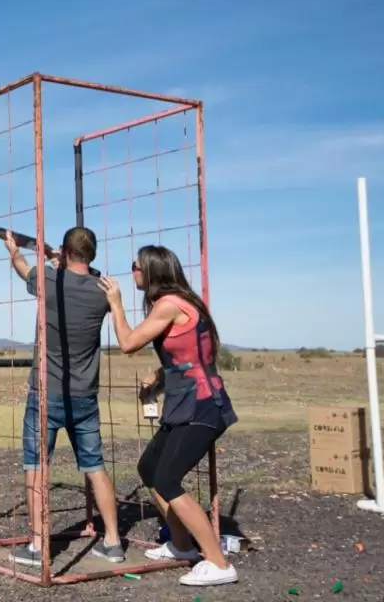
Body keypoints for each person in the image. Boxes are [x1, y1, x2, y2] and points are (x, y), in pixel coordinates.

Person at [97, 244, 239, 587]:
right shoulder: (180, 302)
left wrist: (115, 304)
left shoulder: (169, 304)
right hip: (186, 403)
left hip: (203, 405)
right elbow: (188, 355)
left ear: (151, 270)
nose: (132, 271)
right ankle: (181, 545)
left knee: (167, 480)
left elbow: (129, 343)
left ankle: (219, 563)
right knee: (149, 468)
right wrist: (159, 379)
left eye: (135, 266)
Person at [3, 226, 125, 567]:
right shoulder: (104, 290)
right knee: (95, 467)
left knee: (36, 467)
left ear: (65, 252)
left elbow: (22, 268)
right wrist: (60, 261)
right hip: (85, 396)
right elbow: (86, 275)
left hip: (46, 392)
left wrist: (14, 249)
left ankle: (38, 546)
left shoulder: (50, 281)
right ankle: (113, 541)